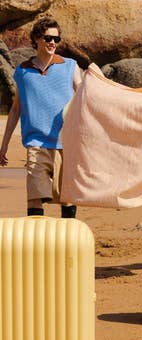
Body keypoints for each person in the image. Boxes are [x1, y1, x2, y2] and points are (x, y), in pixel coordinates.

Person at [0, 17, 81, 217]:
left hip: (66, 143)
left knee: (67, 197)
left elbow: (85, 100)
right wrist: (4, 145)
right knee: (34, 197)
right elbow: (16, 109)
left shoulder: (70, 66)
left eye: (56, 38)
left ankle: (67, 241)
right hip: (36, 143)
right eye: (48, 38)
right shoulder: (23, 71)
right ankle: (37, 244)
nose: (53, 42)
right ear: (36, 39)